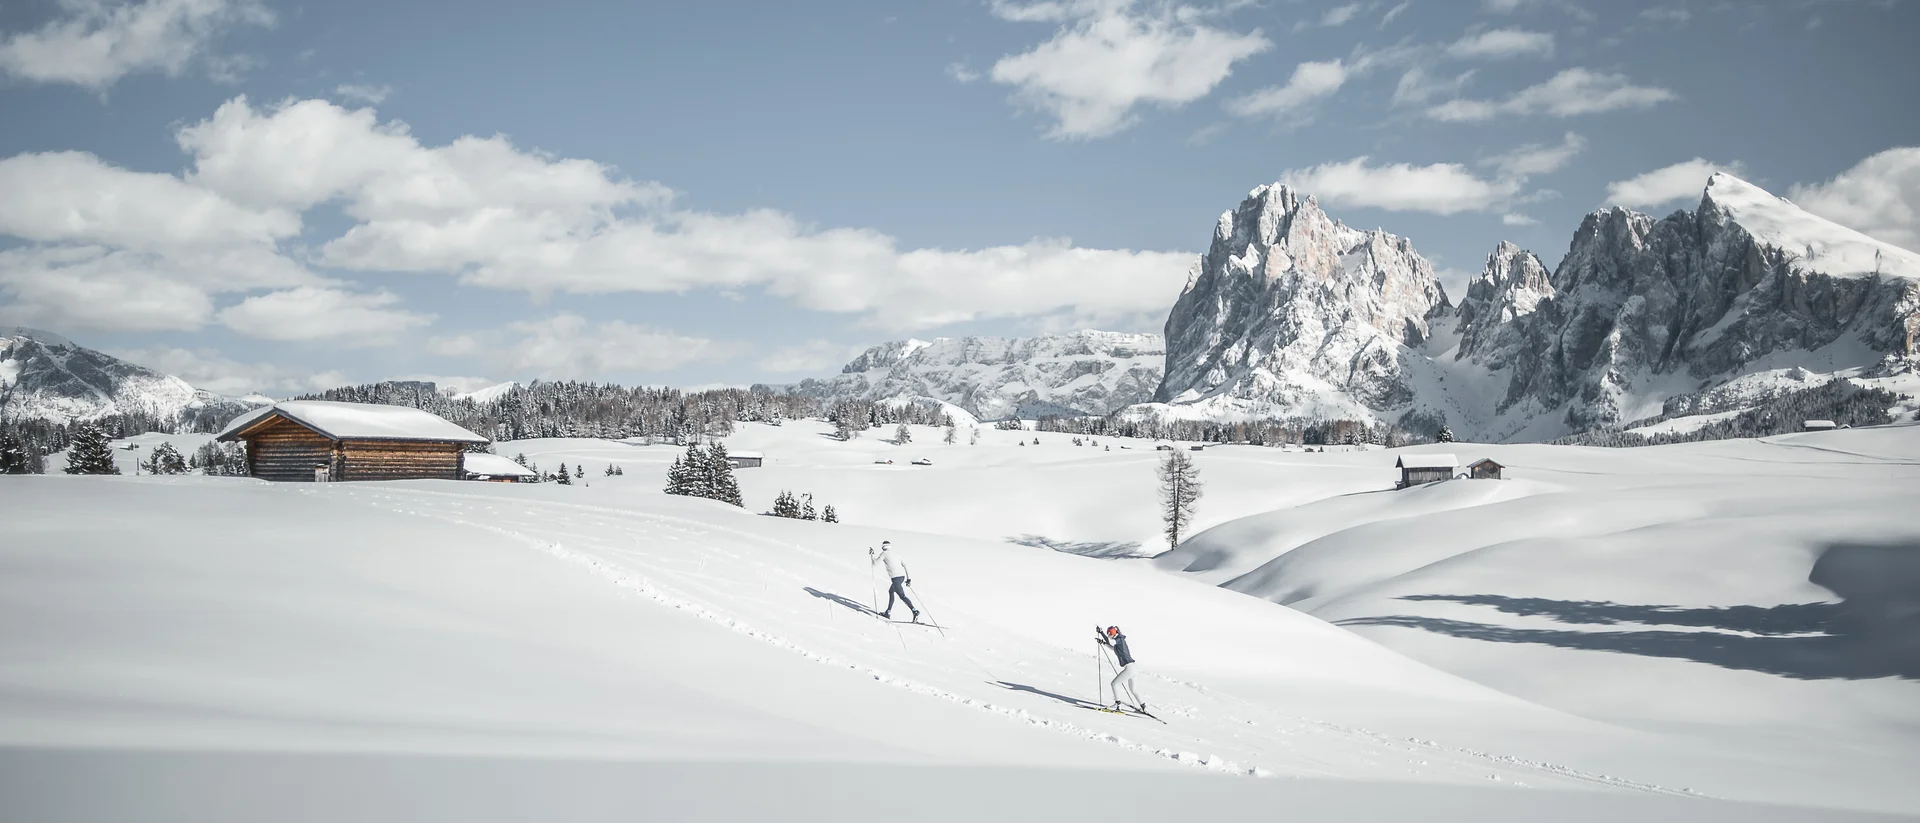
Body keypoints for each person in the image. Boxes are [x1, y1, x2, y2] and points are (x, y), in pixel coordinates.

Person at [1097, 625, 1145, 713]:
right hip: (1133, 667)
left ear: (1112, 634)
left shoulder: (1120, 640)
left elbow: (1111, 642)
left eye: (1109, 634)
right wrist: (1103, 642)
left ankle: (1117, 704)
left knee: (1114, 684)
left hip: (1129, 668)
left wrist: (1101, 633)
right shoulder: (1119, 642)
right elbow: (1112, 647)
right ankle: (1143, 706)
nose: (1108, 636)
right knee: (1133, 689)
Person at [870, 540, 920, 622]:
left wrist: (872, 554)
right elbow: (905, 565)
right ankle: (888, 612)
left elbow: (875, 564)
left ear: (883, 547)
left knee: (902, 596)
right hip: (901, 577)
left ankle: (914, 611)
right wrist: (908, 578)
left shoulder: (884, 554)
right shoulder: (896, 554)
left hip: (895, 579)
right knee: (891, 591)